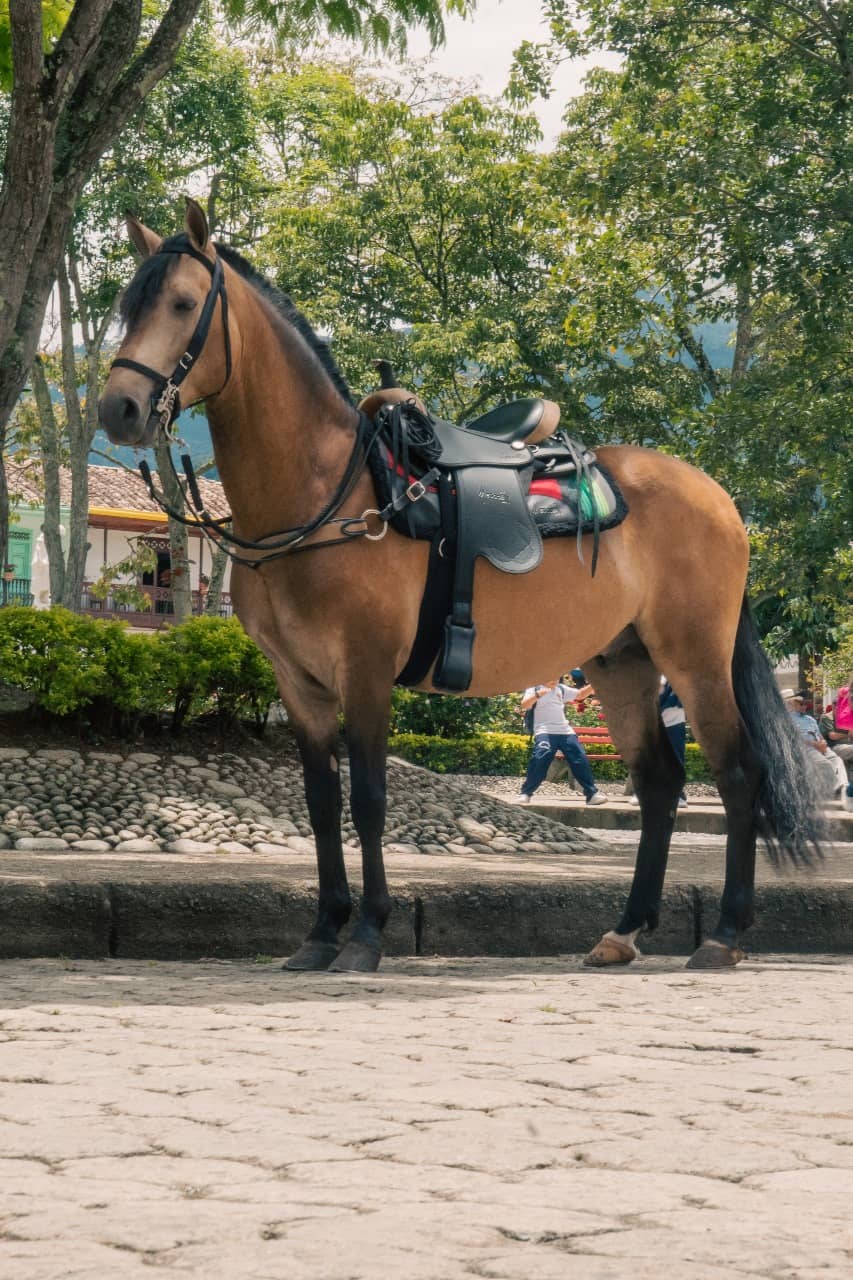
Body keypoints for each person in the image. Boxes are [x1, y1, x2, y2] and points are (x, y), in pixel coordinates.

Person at [517, 677, 607, 805]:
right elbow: (525, 704)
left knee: (580, 759)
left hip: (565, 731)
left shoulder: (561, 689)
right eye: (551, 675)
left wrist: (594, 682)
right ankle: (525, 793)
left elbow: (580, 695)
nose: (554, 679)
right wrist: (539, 694)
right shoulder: (534, 688)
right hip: (544, 731)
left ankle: (592, 794)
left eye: (557, 676)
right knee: (540, 758)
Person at [627, 676, 688, 807]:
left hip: (674, 719)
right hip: (649, 720)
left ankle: (678, 794)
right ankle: (641, 792)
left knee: (675, 757)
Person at [783, 688, 847, 798]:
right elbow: (795, 738)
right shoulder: (787, 719)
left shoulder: (810, 719)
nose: (804, 706)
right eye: (801, 703)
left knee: (837, 760)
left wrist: (823, 743)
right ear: (792, 703)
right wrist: (815, 745)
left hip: (819, 747)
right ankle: (834, 791)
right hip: (804, 749)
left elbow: (820, 736)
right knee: (825, 764)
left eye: (806, 704)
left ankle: (844, 789)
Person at [819, 675, 853, 782]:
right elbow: (832, 736)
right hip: (834, 747)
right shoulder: (826, 717)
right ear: (833, 706)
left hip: (848, 747)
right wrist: (848, 733)